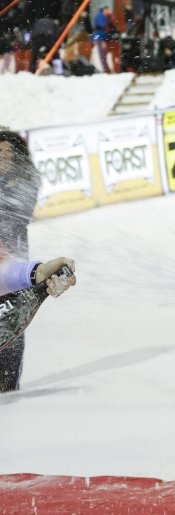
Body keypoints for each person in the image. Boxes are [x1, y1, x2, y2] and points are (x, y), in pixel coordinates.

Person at [0, 130, 77, 391]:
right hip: (14, 273)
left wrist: (37, 273)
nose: (3, 158)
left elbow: (14, 209)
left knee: (10, 349)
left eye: (8, 154)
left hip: (13, 276)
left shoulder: (23, 181)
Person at [91, 6, 114, 73]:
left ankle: (106, 68)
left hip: (101, 37)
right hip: (100, 37)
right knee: (102, 54)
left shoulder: (102, 15)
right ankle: (106, 69)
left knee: (103, 54)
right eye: (106, 10)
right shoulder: (100, 16)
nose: (108, 11)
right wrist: (109, 18)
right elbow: (104, 25)